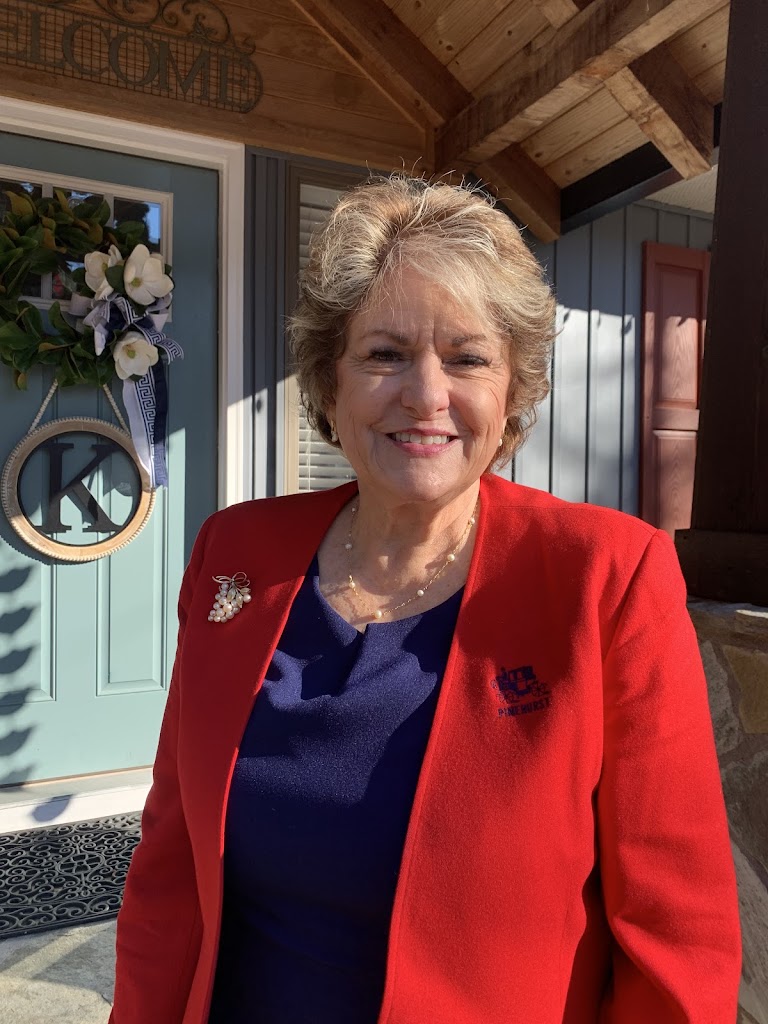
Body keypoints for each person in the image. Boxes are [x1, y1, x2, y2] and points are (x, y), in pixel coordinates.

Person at [109, 174, 741, 1024]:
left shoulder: (606, 576)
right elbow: (169, 862)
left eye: (468, 358)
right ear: (330, 382)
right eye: (385, 354)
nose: (427, 394)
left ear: (512, 392)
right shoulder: (237, 552)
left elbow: (677, 939)